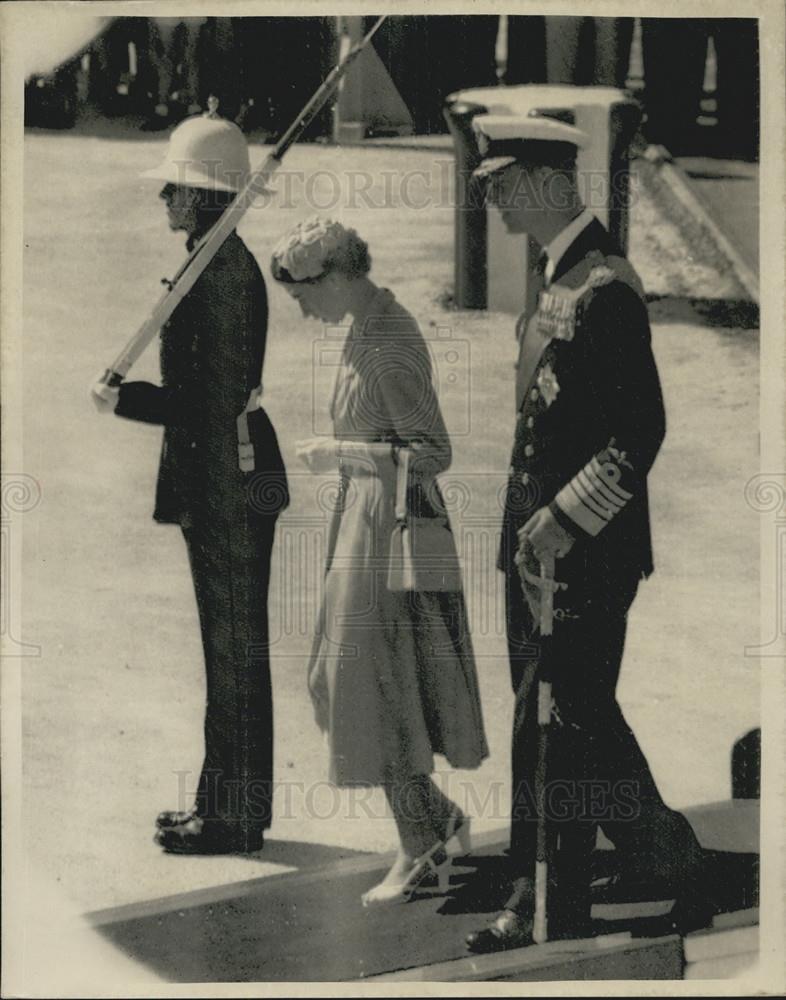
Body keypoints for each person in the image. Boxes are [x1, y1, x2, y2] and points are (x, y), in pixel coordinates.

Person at [464, 114, 712, 952]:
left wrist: (565, 520)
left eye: (501, 188)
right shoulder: (557, 271)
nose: (494, 206)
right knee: (557, 720)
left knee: (570, 725)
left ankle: (554, 905)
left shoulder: (605, 286)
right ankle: (653, 867)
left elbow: (639, 431)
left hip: (584, 549)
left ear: (542, 183)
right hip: (534, 545)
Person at [270, 217, 488, 905]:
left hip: (392, 532)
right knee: (358, 681)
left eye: (306, 292)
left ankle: (421, 844)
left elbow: (434, 451)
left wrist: (345, 455)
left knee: (375, 683)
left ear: (337, 275)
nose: (303, 308)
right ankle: (434, 820)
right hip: (364, 524)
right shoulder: (366, 327)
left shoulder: (390, 340)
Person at [93, 108, 288, 854]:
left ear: (207, 195)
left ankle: (236, 817)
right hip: (217, 480)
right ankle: (221, 798)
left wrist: (132, 400)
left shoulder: (226, 275)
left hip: (232, 481)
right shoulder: (208, 260)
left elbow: (210, 400)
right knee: (225, 651)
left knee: (235, 653)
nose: (163, 200)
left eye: (175, 188)